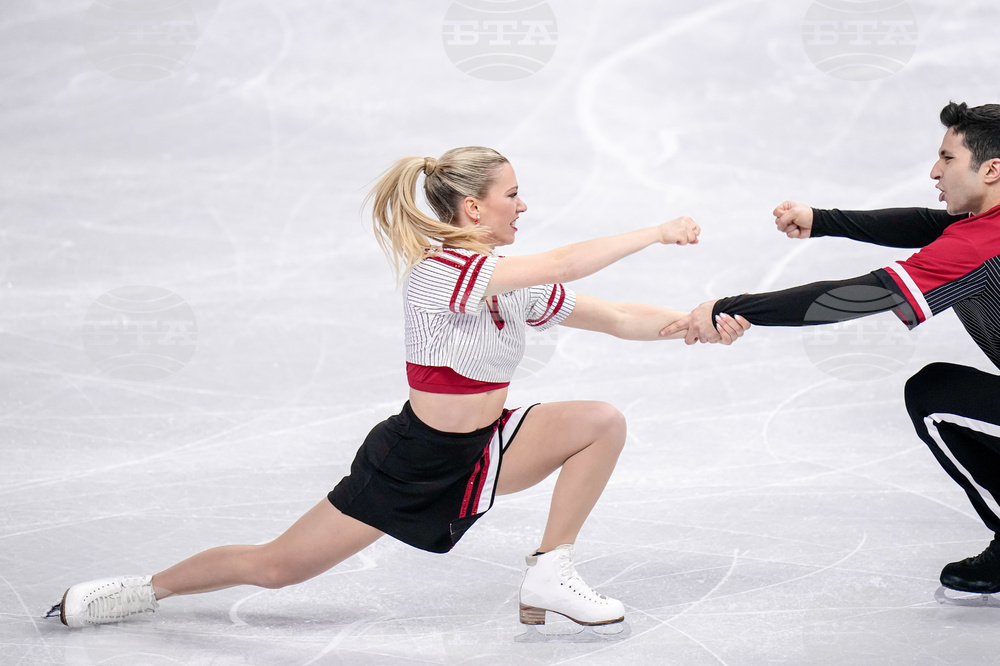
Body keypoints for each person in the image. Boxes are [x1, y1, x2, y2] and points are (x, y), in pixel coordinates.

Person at [49, 146, 749, 629]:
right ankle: (142, 590)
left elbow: (620, 316)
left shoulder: (509, 284)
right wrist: (656, 232)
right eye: (511, 194)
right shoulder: (444, 273)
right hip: (412, 462)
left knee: (600, 420)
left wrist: (694, 322)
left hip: (486, 444)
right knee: (275, 568)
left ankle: (550, 569)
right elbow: (564, 259)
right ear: (473, 209)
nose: (522, 205)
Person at [661, 101, 1000, 596]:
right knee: (941, 388)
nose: (934, 171)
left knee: (932, 397)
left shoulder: (980, 244)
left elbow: (859, 297)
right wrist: (823, 220)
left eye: (948, 159)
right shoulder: (979, 226)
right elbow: (920, 223)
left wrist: (734, 308)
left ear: (992, 169)